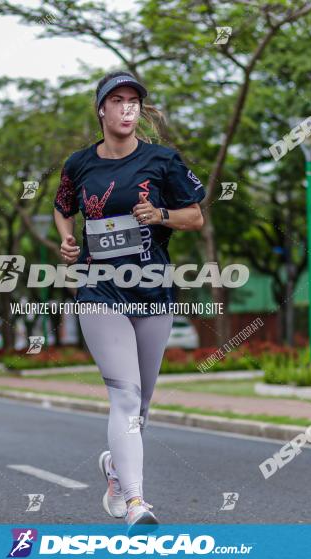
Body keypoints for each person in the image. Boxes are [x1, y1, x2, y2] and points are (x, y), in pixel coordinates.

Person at [53, 71, 206, 531]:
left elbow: (195, 216)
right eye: (116, 100)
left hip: (153, 286)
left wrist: (160, 214)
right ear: (101, 109)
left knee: (141, 407)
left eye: (133, 101)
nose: (126, 108)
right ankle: (137, 502)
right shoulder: (79, 164)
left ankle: (116, 473)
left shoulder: (163, 160)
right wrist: (66, 242)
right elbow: (63, 207)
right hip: (99, 287)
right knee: (124, 392)